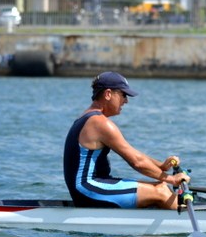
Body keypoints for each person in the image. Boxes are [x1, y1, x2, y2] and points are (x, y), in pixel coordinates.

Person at [63, 71, 190, 209]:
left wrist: (162, 167)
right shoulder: (99, 123)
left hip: (94, 185)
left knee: (161, 185)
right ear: (108, 94)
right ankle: (187, 217)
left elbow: (135, 154)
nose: (126, 101)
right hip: (87, 190)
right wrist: (171, 179)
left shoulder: (88, 118)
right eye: (123, 95)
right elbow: (137, 162)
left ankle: (177, 210)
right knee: (160, 191)